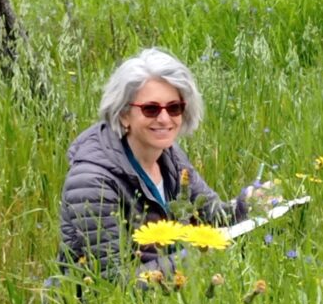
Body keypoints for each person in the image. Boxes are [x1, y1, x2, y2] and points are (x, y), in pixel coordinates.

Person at [58, 48, 254, 281]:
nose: (164, 119)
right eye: (150, 109)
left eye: (174, 108)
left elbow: (212, 216)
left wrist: (248, 203)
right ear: (123, 114)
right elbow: (113, 280)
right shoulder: (91, 182)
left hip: (166, 292)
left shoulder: (169, 154)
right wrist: (197, 257)